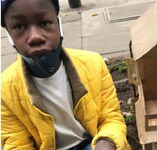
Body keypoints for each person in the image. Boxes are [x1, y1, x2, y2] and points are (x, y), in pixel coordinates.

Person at [1, 0, 131, 149]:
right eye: (19, 26)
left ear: (59, 24)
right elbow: (16, 143)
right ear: (9, 36)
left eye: (44, 23)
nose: (35, 37)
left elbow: (111, 117)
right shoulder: (5, 89)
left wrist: (107, 142)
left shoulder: (93, 64)